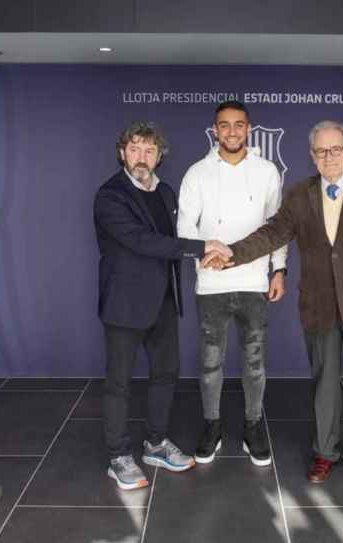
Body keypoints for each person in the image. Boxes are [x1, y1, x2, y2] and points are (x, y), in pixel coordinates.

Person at [204, 120, 343, 487]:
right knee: (324, 384)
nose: (328, 157)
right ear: (312, 156)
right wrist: (232, 253)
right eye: (320, 151)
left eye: (335, 149)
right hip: (319, 305)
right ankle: (324, 453)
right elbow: (273, 234)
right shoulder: (299, 194)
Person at [94, 121, 232, 490]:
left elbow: (176, 237)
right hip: (124, 305)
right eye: (135, 148)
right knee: (119, 383)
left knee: (165, 374)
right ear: (122, 152)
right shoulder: (110, 196)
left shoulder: (166, 192)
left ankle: (155, 443)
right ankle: (118, 456)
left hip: (164, 302)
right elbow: (143, 241)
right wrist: (203, 248)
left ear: (159, 156)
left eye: (150, 150)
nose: (142, 157)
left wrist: (207, 254)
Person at [177, 101, 288, 467]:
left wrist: (279, 270)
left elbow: (278, 229)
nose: (232, 131)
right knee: (211, 363)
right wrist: (205, 254)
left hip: (254, 282)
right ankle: (212, 426)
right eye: (224, 125)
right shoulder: (197, 173)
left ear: (249, 129)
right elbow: (185, 229)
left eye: (238, 125)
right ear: (215, 130)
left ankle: (253, 426)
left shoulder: (267, 171)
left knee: (254, 362)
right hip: (211, 284)